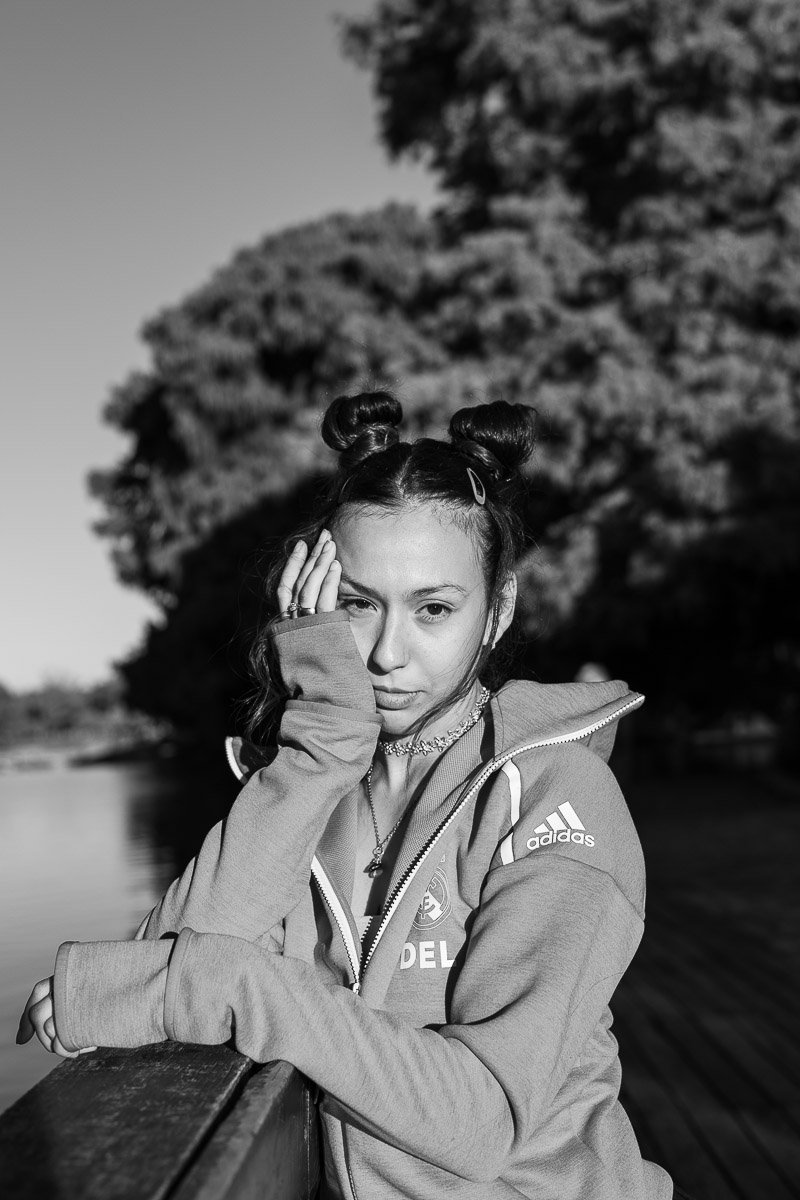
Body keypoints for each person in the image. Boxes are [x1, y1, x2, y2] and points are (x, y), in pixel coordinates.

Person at [18, 394, 681, 1199]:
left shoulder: (552, 796)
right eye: (357, 605)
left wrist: (227, 990)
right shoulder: (318, 788)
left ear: (497, 611)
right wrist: (320, 745)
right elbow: (180, 953)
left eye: (434, 609)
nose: (384, 653)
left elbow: (481, 1117)